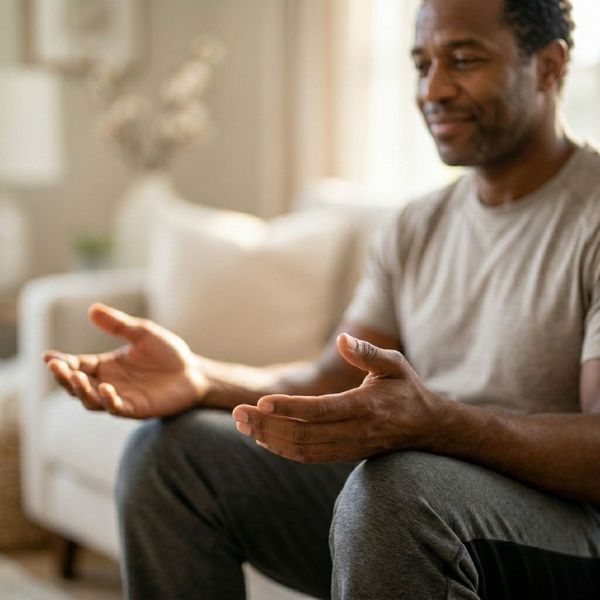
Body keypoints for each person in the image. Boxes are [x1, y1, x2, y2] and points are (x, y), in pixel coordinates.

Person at [45, 0, 600, 598]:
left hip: (566, 528)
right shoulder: (417, 225)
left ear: (549, 67)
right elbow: (332, 378)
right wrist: (201, 380)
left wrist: (440, 425)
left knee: (396, 491)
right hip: (419, 511)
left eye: (463, 60)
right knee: (171, 457)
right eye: (421, 63)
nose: (433, 89)